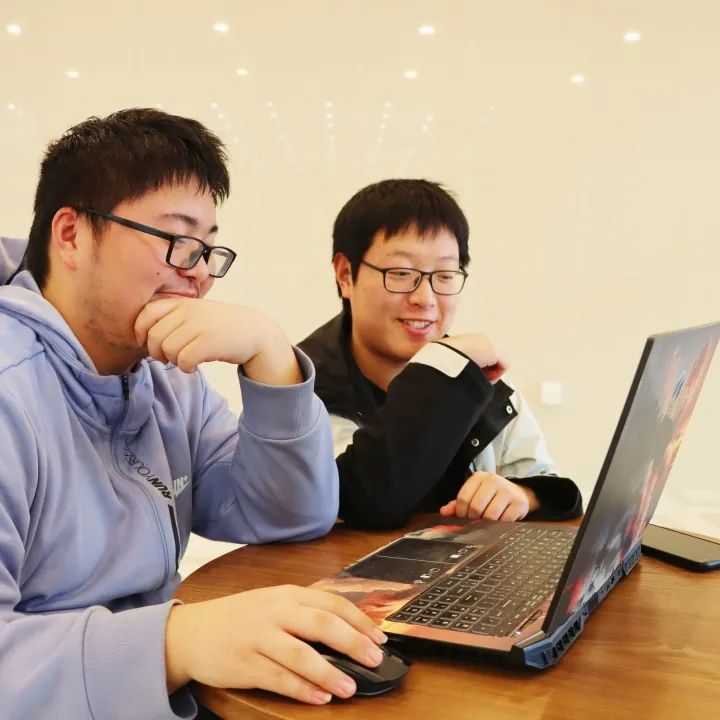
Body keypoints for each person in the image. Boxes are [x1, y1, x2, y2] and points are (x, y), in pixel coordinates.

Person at [0, 109, 388, 720]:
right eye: (176, 240)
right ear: (71, 234)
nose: (201, 274)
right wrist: (177, 642)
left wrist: (271, 357)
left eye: (207, 249)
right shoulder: (11, 389)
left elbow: (287, 517)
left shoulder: (163, 375)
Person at [299, 179, 583, 530]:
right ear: (346, 275)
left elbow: (549, 485)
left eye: (445, 275)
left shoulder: (478, 376)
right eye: (401, 273)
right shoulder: (299, 388)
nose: (425, 298)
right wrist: (437, 370)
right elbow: (366, 499)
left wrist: (523, 495)